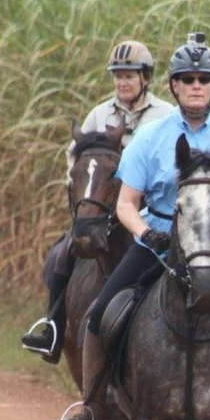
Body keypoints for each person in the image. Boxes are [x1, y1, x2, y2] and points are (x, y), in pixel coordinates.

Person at [57, 33, 210, 420]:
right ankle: (90, 409)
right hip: (157, 242)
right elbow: (126, 203)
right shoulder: (150, 137)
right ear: (174, 86)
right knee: (98, 316)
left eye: (204, 79)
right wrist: (146, 233)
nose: (196, 85)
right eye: (187, 79)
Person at [21, 41, 174, 361]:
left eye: (130, 75)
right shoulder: (98, 114)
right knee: (60, 257)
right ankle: (53, 328)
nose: (122, 82)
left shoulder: (165, 115)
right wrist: (82, 193)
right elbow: (74, 160)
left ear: (146, 77)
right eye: (118, 76)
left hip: (150, 214)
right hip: (101, 212)